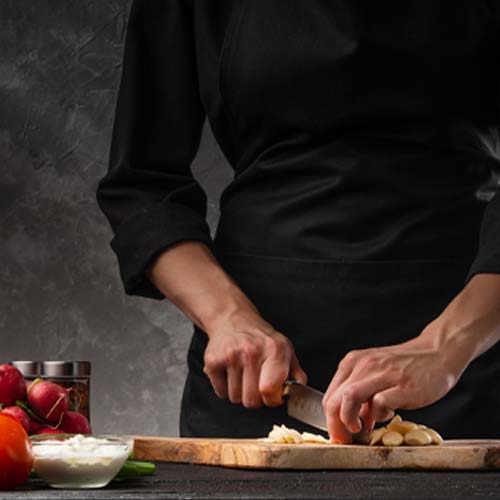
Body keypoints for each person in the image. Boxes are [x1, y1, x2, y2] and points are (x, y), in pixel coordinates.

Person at [97, 0, 500, 443]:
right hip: (257, 378)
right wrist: (228, 318)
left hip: (467, 357)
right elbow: (142, 185)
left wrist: (446, 346)